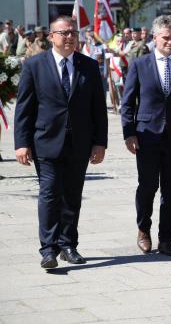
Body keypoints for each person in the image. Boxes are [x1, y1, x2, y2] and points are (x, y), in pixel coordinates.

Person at [13, 16, 108, 270]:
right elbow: (24, 108)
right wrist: (21, 143)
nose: (69, 37)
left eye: (72, 33)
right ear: (51, 37)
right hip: (46, 141)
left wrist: (100, 142)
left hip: (79, 143)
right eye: (63, 33)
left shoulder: (88, 66)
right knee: (50, 194)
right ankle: (48, 249)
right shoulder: (35, 65)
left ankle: (68, 245)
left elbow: (98, 108)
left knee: (72, 195)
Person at [121, 15, 171, 257]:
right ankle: (143, 230)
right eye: (165, 38)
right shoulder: (139, 65)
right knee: (147, 186)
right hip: (146, 136)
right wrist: (129, 133)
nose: (170, 42)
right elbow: (127, 103)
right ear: (154, 37)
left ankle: (166, 239)